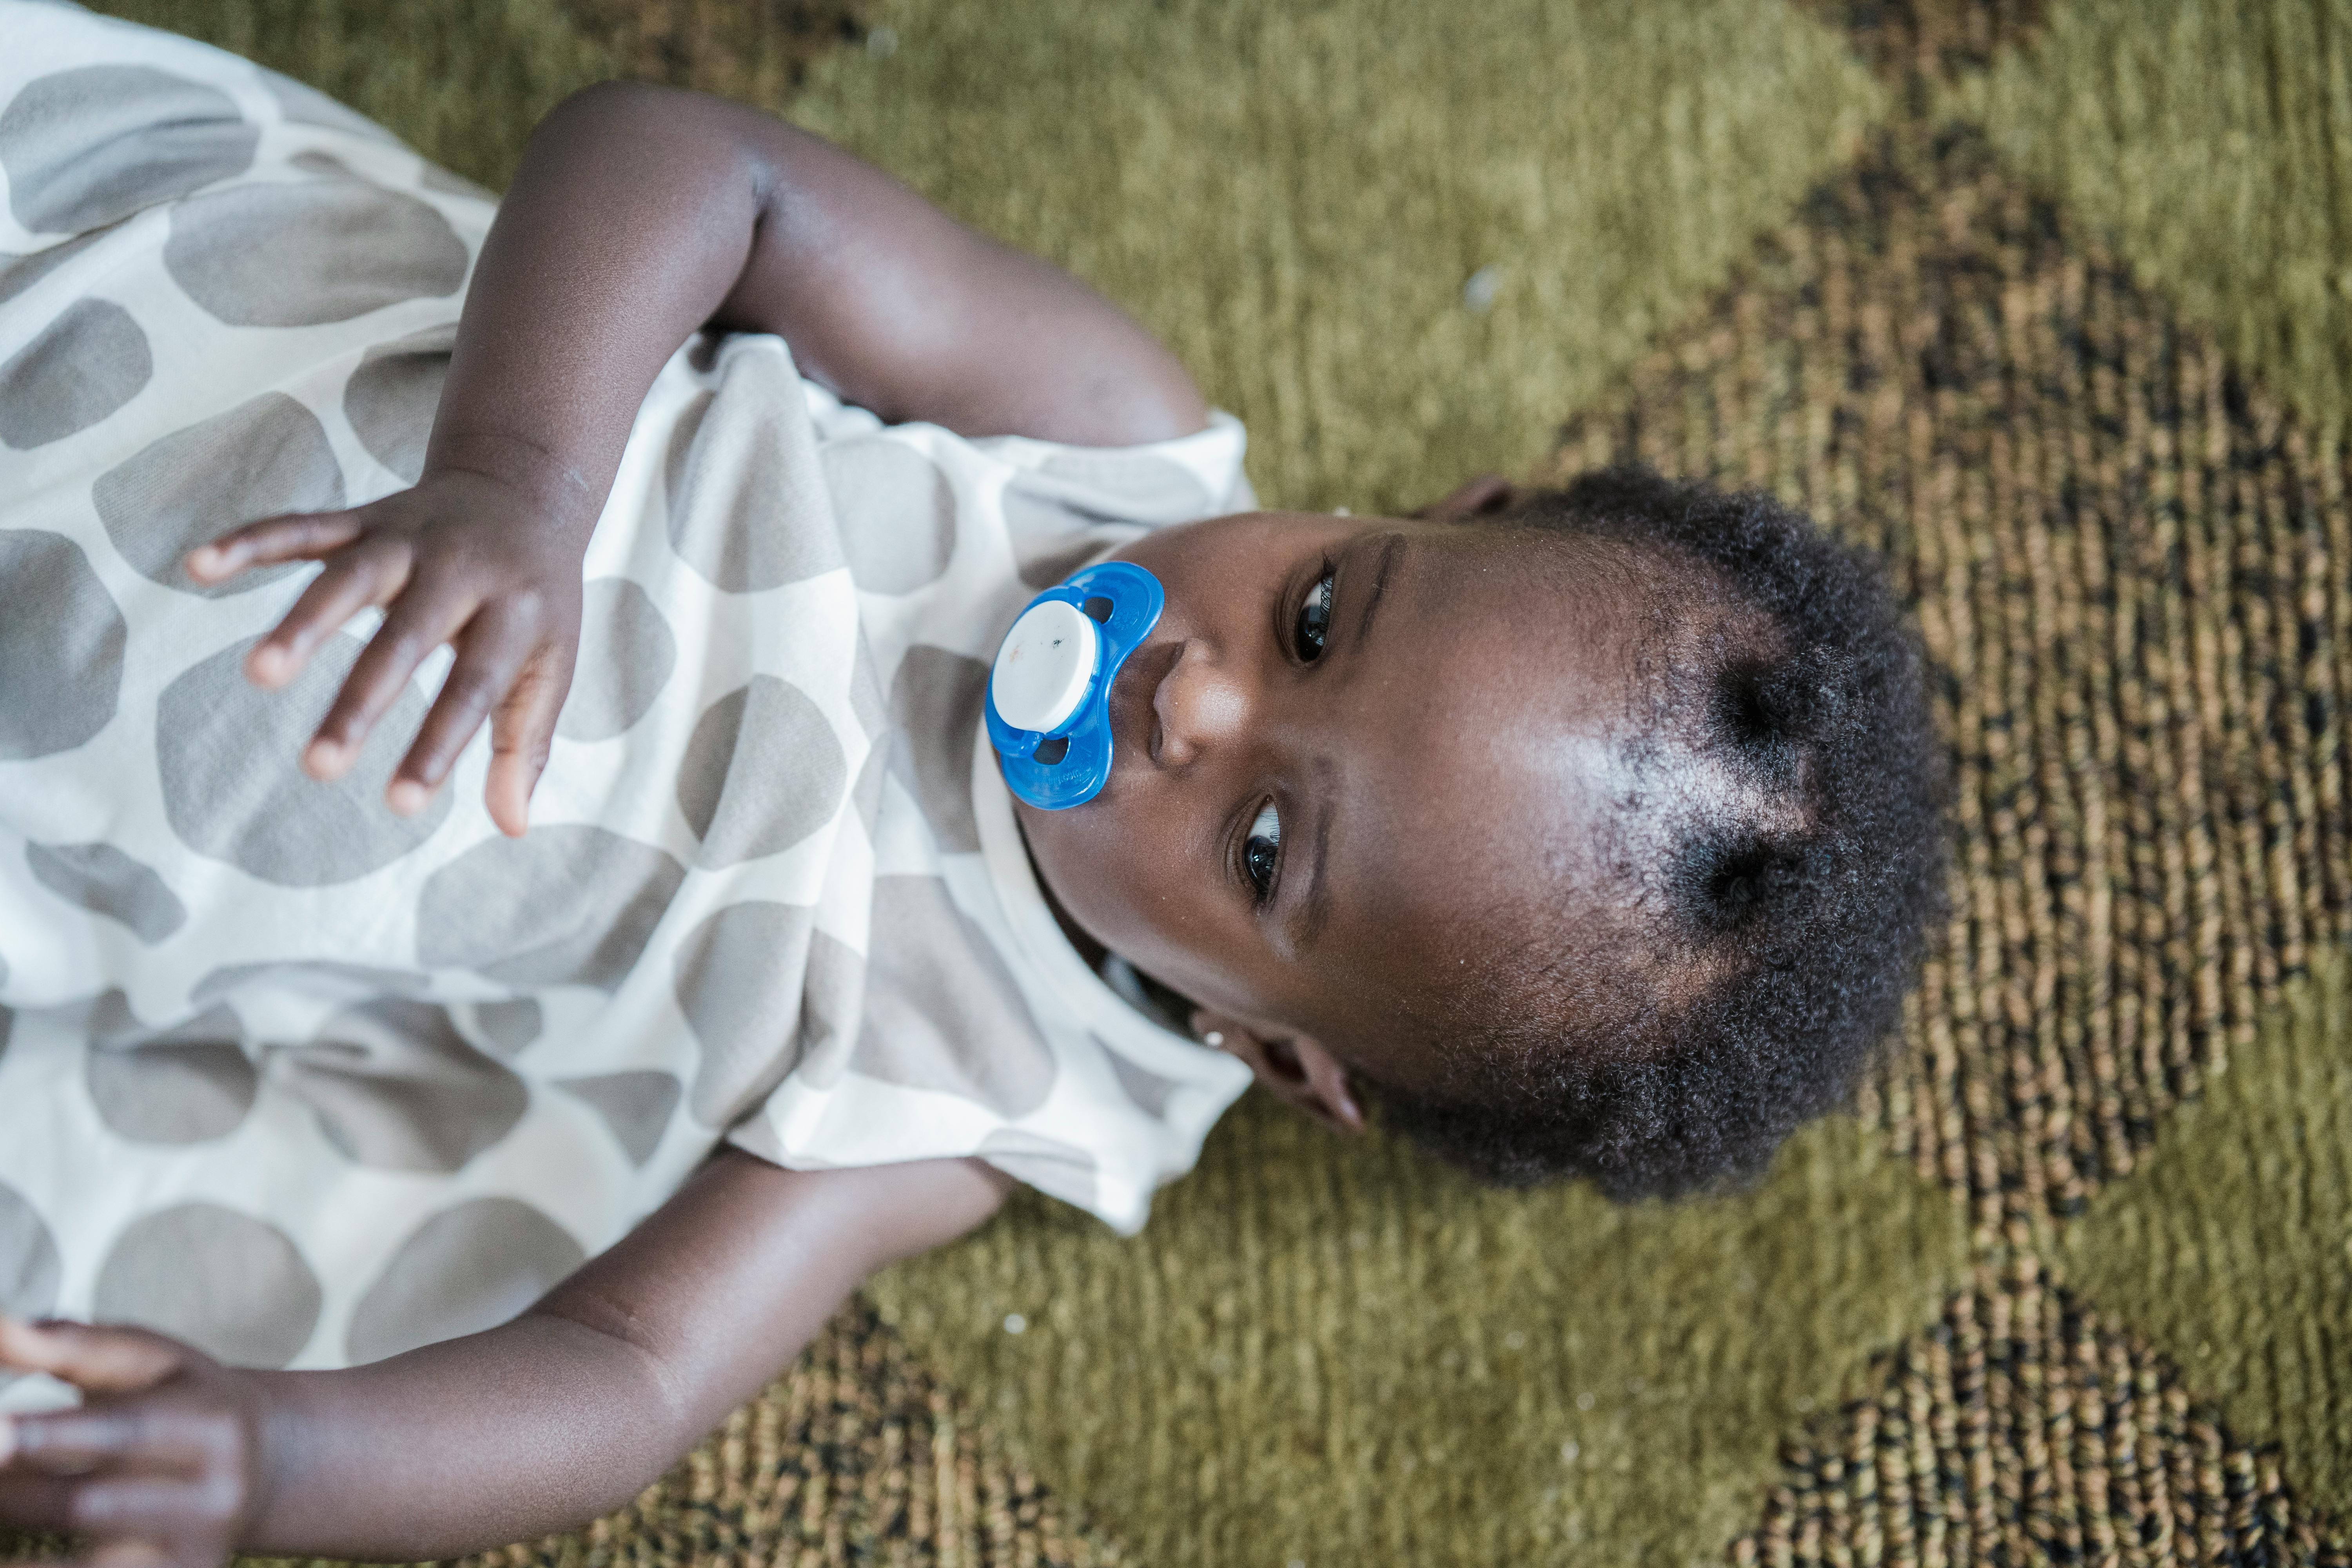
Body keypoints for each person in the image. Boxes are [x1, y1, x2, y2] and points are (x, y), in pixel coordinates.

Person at [0, 4, 1944, 1563]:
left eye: (1266, 847)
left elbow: (630, 1370)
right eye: (1324, 616)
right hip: (158, 303)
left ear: (1271, 1047)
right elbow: (696, 163)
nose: (1194, 699)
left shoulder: (989, 1082)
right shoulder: (1093, 431)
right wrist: (516, 482)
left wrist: (271, 1458)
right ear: (1440, 511)